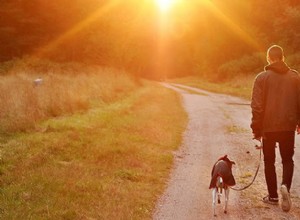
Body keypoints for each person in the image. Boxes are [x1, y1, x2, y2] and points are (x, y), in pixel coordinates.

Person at [250, 45, 300, 212]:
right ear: (283, 57)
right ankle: (285, 186)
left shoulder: (261, 78)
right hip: (288, 125)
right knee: (287, 159)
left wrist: (256, 129)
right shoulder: (295, 77)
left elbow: (256, 106)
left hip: (268, 128)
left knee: (269, 161)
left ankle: (273, 196)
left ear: (269, 58)